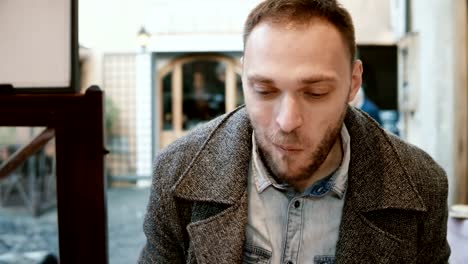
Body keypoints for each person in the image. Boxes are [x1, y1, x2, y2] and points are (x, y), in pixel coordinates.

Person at [139, 0, 450, 263]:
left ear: (354, 83)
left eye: (315, 93)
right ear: (244, 76)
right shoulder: (176, 171)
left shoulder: (423, 184)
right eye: (264, 90)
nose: (287, 122)